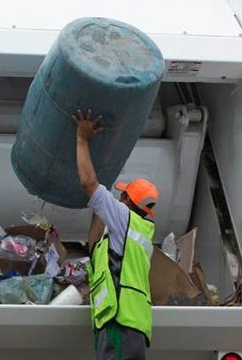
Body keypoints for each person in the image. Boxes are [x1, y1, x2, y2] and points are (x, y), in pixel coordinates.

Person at [73, 109, 159, 360]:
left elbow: (88, 184)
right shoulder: (137, 233)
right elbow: (94, 241)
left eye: (120, 196)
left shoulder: (123, 219)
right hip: (123, 323)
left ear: (126, 200)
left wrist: (82, 139)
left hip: (121, 323)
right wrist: (103, 201)